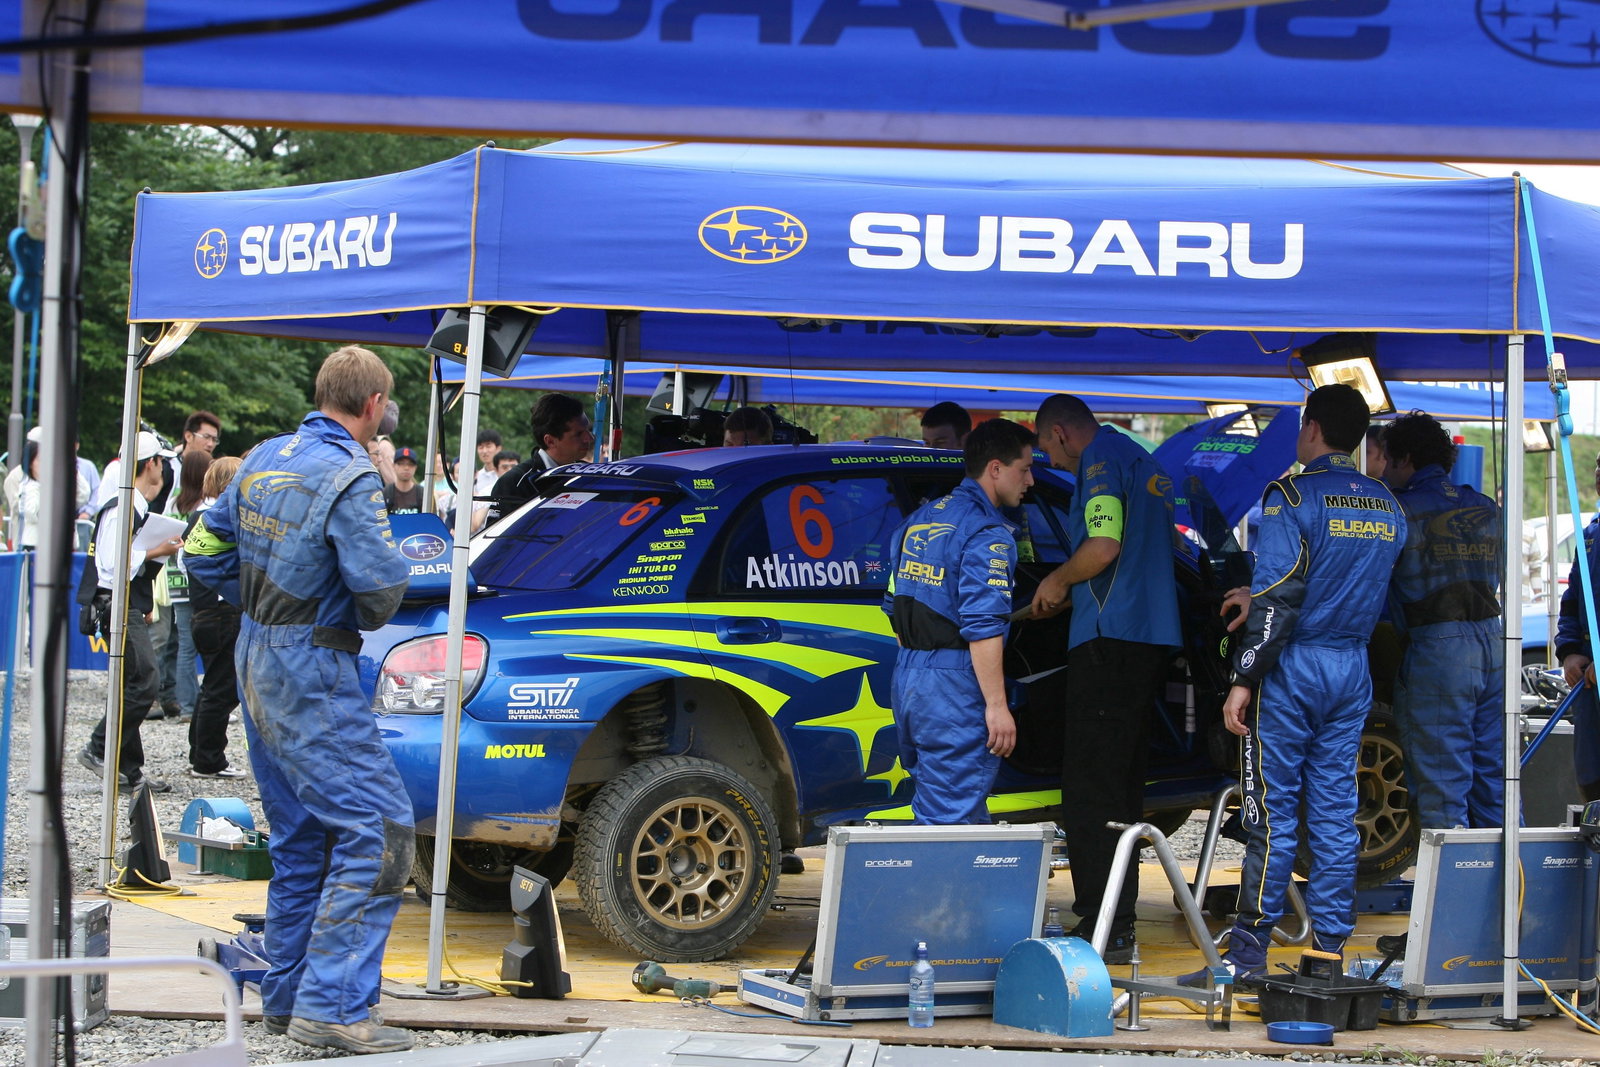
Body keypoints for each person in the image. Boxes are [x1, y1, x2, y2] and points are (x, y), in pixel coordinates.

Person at [185, 345, 414, 1054]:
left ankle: (285, 1000)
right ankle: (336, 1007)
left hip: (255, 654)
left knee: (299, 838)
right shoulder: (350, 475)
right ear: (372, 407)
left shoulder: (258, 458)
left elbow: (199, 549)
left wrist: (257, 604)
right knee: (379, 830)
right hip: (313, 665)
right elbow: (378, 596)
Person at [1180, 384, 1404, 987]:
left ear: (1310, 429)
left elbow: (1279, 601)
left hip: (1294, 668)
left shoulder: (1289, 496)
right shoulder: (1389, 505)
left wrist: (1243, 677)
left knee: (1272, 812)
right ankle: (1329, 953)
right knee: (1334, 811)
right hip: (1350, 667)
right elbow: (1355, 586)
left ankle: (1245, 956)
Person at [1030, 394, 1179, 964]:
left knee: (1091, 791)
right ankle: (1117, 922)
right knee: (1122, 789)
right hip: (1149, 636)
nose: (1051, 458)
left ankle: (1102, 923)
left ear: (1063, 434)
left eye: (1046, 446)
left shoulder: (1098, 465)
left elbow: (1103, 545)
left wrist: (1058, 581)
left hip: (1110, 635)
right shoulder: (1144, 459)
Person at [884, 417, 1035, 824]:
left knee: (940, 803)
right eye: (1025, 468)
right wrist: (997, 707)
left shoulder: (917, 520)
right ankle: (941, 888)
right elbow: (983, 627)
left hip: (910, 679)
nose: (1031, 480)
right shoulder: (987, 533)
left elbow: (894, 608)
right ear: (996, 469)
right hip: (954, 685)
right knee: (951, 815)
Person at [1382, 412, 1505, 830]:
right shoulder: (1486, 507)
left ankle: (1453, 894)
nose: (1382, 469)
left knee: (1441, 784)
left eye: (1386, 459)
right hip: (1495, 640)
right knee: (1497, 779)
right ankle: (1510, 891)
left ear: (1405, 458)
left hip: (1439, 648)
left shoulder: (1400, 510)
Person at [76, 430, 181, 794]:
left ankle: (129, 770)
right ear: (152, 464)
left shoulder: (132, 505)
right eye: (163, 464)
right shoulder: (122, 506)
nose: (165, 472)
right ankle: (98, 747)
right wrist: (155, 552)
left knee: (132, 684)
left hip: (125, 601)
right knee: (144, 682)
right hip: (116, 602)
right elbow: (111, 564)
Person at [183, 455, 246, 779]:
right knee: (222, 689)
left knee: (212, 687)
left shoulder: (197, 517)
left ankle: (201, 752)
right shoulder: (217, 519)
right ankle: (208, 759)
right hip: (221, 614)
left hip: (205, 614)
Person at [1555, 452, 1600, 803]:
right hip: (1588, 684)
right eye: (1598, 465)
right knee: (1590, 778)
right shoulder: (1590, 535)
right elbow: (1571, 601)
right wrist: (1570, 652)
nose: (1599, 473)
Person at [155, 450, 211, 722]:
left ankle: (187, 702)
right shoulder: (204, 506)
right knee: (198, 644)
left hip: (176, 579)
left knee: (184, 645)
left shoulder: (175, 502)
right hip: (198, 581)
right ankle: (193, 705)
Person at [486, 393, 594, 525]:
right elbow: (499, 541)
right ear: (550, 441)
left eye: (588, 430)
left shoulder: (588, 476)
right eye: (578, 434)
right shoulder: (514, 483)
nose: (589, 438)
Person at [383, 447, 424, 515]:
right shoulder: (386, 493)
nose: (406, 468)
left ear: (415, 468)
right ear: (393, 466)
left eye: (410, 464)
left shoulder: (422, 494)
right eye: (401, 463)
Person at [474, 428, 503, 497]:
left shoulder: (505, 474)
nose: (484, 451)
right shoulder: (476, 477)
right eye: (481, 447)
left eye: (488, 446)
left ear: (498, 448)